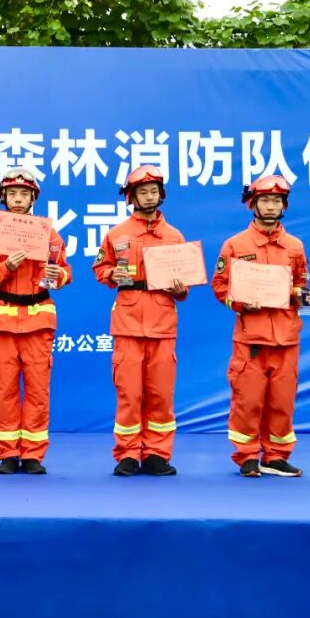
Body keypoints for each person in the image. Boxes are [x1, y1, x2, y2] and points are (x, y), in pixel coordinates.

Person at [0, 168, 72, 474]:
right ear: (2, 197)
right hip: (2, 320)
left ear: (32, 198)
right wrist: (5, 268)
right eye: (12, 193)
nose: (17, 199)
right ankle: (8, 454)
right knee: (5, 390)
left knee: (38, 390)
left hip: (38, 320)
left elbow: (65, 272)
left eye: (23, 194)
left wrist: (57, 274)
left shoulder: (48, 234)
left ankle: (33, 455)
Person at [211, 175, 310, 478]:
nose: (271, 206)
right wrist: (241, 304)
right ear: (252, 204)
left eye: (277, 200)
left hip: (286, 336)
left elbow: (302, 284)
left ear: (284, 205)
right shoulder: (235, 245)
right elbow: (220, 286)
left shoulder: (295, 246)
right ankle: (246, 456)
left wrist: (303, 297)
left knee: (282, 401)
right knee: (248, 400)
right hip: (251, 339)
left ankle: (276, 456)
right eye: (265, 200)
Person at [93, 164, 188, 477]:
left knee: (160, 393)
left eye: (153, 191)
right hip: (128, 323)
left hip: (162, 323)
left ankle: (157, 454)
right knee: (129, 393)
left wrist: (180, 288)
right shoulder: (116, 234)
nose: (149, 197)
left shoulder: (174, 236)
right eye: (142, 192)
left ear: (162, 194)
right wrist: (112, 273)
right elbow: (100, 269)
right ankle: (128, 454)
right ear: (131, 197)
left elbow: (184, 285)